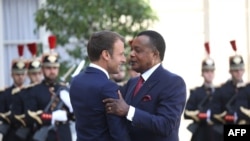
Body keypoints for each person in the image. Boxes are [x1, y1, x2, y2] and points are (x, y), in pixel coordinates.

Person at [103, 30, 187, 141]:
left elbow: (165, 125)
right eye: (132, 50)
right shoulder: (132, 83)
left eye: (137, 50)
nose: (131, 54)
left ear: (155, 54)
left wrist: (129, 111)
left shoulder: (173, 82)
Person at [69, 30, 131, 141]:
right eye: (121, 54)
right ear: (106, 55)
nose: (124, 59)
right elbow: (118, 134)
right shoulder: (108, 87)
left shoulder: (75, 81)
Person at [26, 35, 73, 141]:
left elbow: (75, 116)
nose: (52, 71)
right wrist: (52, 116)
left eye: (55, 68)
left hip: (64, 135)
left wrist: (72, 109)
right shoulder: (34, 90)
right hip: (46, 136)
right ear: (42, 69)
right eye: (48, 68)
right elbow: (30, 116)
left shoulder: (64, 89)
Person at [210, 40, 247, 140]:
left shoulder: (248, 89)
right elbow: (213, 114)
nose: (238, 73)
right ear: (230, 71)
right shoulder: (221, 90)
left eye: (240, 69)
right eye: (235, 70)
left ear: (244, 70)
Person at [184, 42, 221, 141]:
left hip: (217, 133)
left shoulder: (220, 92)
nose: (209, 74)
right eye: (207, 71)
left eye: (211, 71)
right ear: (202, 73)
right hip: (201, 133)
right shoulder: (196, 92)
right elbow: (187, 112)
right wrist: (200, 115)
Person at [11, 42, 43, 141]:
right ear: (28, 75)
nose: (37, 77)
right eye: (33, 74)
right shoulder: (22, 93)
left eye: (39, 73)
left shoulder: (47, 91)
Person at [0, 44, 28, 141]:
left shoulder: (30, 92)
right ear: (12, 75)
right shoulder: (5, 94)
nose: (20, 77)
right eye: (17, 74)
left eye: (22, 74)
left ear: (26, 75)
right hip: (10, 135)